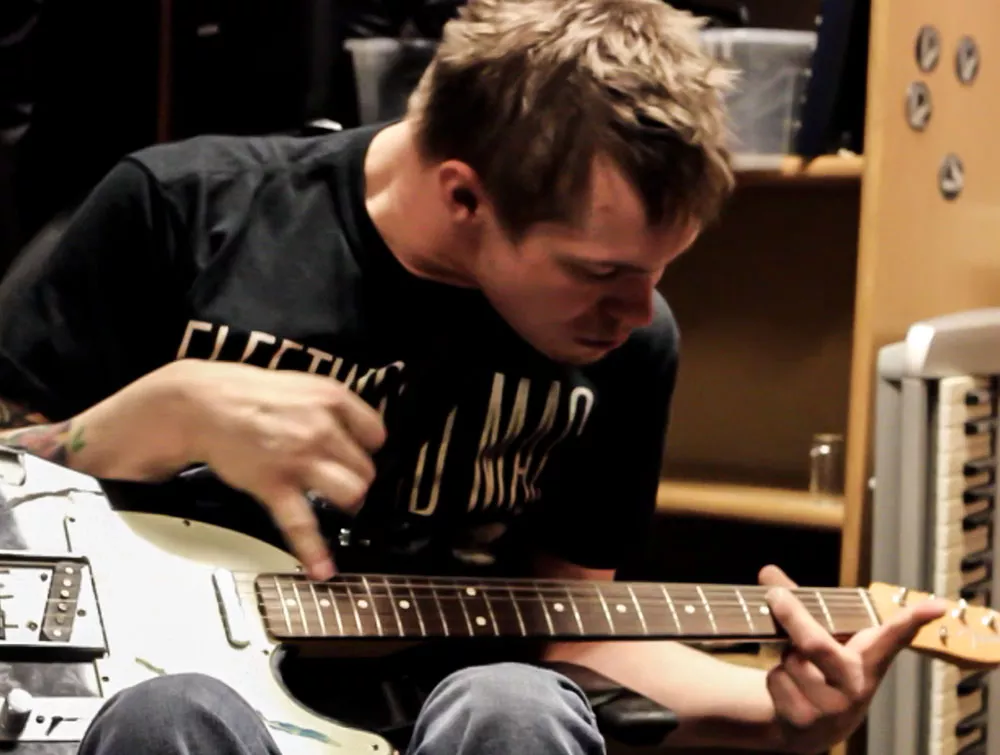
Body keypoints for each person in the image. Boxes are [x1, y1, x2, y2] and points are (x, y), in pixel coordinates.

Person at [0, 0, 944, 753]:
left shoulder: (629, 347)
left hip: (444, 722)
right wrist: (154, 415)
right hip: (166, 704)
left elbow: (575, 629)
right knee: (173, 714)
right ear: (463, 194)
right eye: (601, 271)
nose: (637, 311)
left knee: (518, 704)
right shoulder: (183, 212)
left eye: (662, 271)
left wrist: (785, 717)